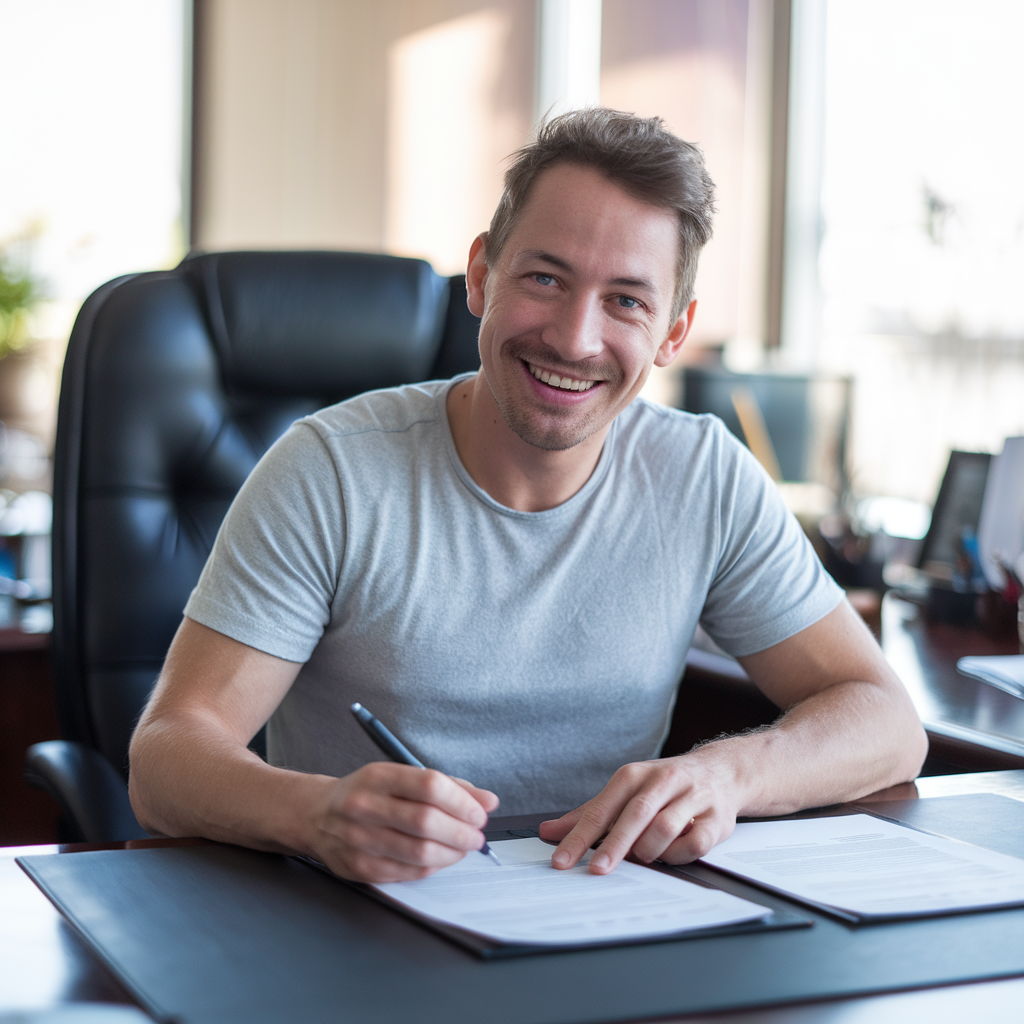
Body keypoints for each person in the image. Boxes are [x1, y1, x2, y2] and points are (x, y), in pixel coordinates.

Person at [129, 109, 927, 884]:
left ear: (673, 333)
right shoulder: (330, 472)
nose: (575, 339)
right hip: (360, 931)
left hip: (601, 918)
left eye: (627, 300)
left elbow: (888, 724)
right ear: (482, 275)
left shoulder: (705, 478)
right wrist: (318, 814)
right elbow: (167, 757)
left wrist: (730, 775)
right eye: (545, 278)